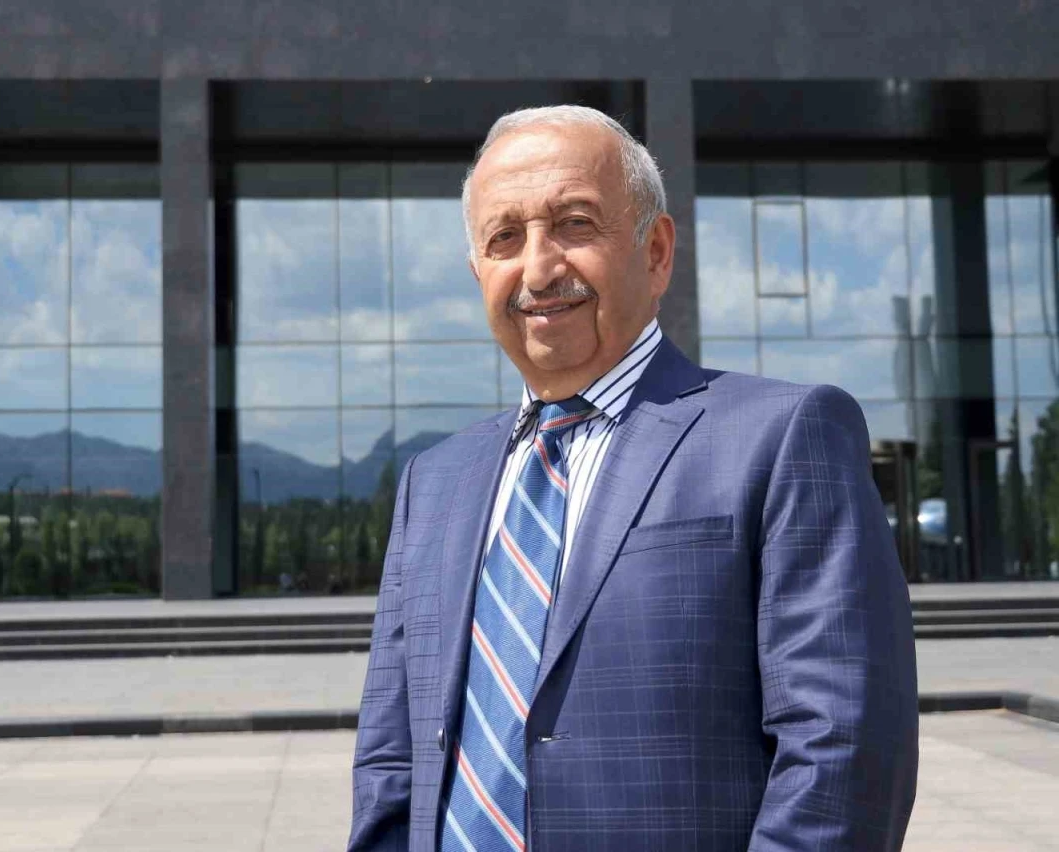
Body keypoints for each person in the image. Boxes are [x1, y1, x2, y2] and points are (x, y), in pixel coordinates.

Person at [347, 105, 919, 852]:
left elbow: (841, 752)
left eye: (574, 224)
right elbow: (393, 760)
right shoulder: (434, 483)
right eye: (504, 238)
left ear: (655, 252)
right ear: (478, 270)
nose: (538, 268)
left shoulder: (782, 437)